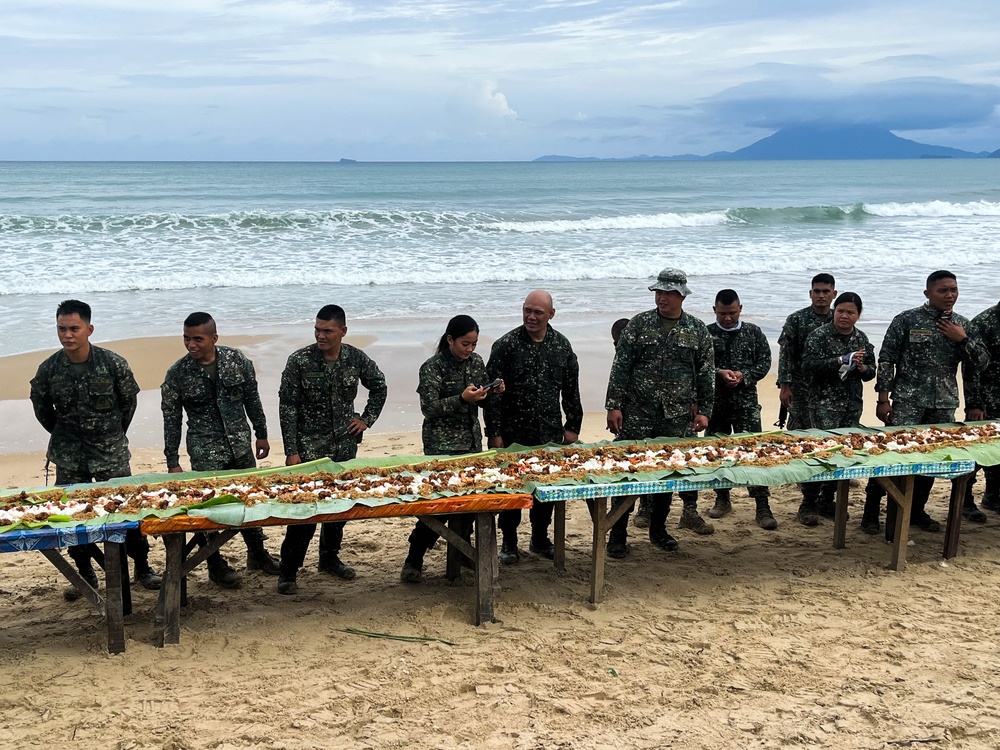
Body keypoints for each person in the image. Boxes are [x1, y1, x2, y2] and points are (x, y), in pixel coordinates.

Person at [29, 299, 160, 600]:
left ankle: (142, 565)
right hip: (70, 455)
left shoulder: (112, 363)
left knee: (126, 511)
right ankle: (85, 571)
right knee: (74, 515)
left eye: (74, 328)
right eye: (62, 329)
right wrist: (64, 436)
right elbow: (42, 408)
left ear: (89, 329)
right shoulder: (49, 369)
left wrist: (112, 435)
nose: (67, 335)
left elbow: (128, 403)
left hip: (110, 452)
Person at [160, 312, 281, 587]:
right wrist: (172, 460)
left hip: (240, 445)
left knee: (249, 501)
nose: (191, 344)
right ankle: (215, 565)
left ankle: (258, 554)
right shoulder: (177, 374)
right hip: (205, 451)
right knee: (209, 510)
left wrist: (261, 434)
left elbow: (253, 398)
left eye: (198, 339)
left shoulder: (237, 361)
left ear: (214, 338)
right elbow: (171, 419)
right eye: (186, 338)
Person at [864, 270, 988, 533]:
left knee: (931, 460)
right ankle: (871, 512)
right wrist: (883, 399)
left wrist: (962, 338)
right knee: (892, 456)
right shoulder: (907, 319)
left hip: (943, 404)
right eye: (943, 290)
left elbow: (982, 363)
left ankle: (916, 510)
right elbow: (887, 359)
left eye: (953, 289)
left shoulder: (963, 325)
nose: (950, 295)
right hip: (908, 402)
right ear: (928, 293)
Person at [276, 305, 387, 594]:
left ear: (343, 331)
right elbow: (287, 406)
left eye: (327, 331)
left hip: (344, 446)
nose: (320, 335)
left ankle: (329, 559)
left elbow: (379, 386)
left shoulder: (355, 358)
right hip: (310, 449)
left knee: (339, 508)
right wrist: (292, 450)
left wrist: (365, 419)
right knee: (305, 512)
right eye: (317, 330)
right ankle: (288, 570)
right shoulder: (300, 361)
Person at [605, 268, 715, 558]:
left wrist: (704, 411)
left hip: (676, 415)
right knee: (628, 474)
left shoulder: (697, 330)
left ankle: (658, 530)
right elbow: (621, 367)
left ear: (681, 295)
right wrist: (614, 405)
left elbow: (705, 373)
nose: (662, 297)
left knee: (667, 474)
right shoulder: (639, 325)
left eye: (668, 293)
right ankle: (617, 534)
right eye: (659, 292)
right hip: (637, 412)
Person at [400, 315, 504, 582]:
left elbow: (481, 400)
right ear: (450, 340)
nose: (469, 350)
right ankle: (415, 558)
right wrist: (461, 399)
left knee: (470, 502)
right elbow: (429, 408)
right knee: (439, 506)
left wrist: (492, 391)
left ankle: (462, 552)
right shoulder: (433, 367)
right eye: (464, 344)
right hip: (441, 446)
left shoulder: (477, 362)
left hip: (470, 443)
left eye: (473, 344)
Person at [484, 290, 583, 565]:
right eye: (527, 310)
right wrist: (494, 433)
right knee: (512, 491)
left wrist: (572, 426)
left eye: (538, 312)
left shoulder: (562, 346)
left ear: (551, 314)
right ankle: (510, 542)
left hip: (549, 432)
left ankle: (540, 539)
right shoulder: (506, 346)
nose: (531, 316)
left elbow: (571, 390)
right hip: (514, 433)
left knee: (545, 492)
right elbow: (492, 394)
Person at [798, 292, 876, 525]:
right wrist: (840, 360)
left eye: (850, 312)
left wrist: (862, 369)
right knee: (819, 453)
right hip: (823, 405)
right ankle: (808, 504)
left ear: (858, 315)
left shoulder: (861, 339)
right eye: (840, 310)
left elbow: (871, 371)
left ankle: (827, 500)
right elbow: (808, 367)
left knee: (842, 453)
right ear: (834, 311)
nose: (844, 315)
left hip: (851, 406)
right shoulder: (819, 336)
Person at [705, 289, 777, 529]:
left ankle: (762, 505)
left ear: (740, 309)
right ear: (714, 310)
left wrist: (745, 376)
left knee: (753, 454)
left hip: (746, 404)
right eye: (723, 313)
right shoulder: (705, 333)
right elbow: (699, 365)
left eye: (732, 313)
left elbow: (765, 361)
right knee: (719, 452)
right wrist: (719, 373)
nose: (727, 318)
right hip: (716, 405)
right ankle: (722, 498)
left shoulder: (753, 332)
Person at [778, 274, 837, 431]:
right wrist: (784, 386)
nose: (821, 296)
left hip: (830, 387)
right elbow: (785, 354)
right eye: (817, 291)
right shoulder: (796, 319)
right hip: (801, 385)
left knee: (828, 431)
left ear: (834, 294)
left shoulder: (839, 319)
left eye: (826, 291)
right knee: (797, 430)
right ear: (810, 293)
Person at [613, 317, 652, 529]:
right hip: (628, 425)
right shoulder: (620, 364)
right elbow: (614, 393)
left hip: (651, 421)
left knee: (651, 469)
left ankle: (646, 509)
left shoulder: (648, 358)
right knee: (624, 476)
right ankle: (618, 533)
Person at [963, 301, 1000, 517]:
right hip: (988, 401)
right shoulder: (985, 322)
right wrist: (975, 403)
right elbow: (972, 367)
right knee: (979, 451)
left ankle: (993, 496)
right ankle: (964, 500)